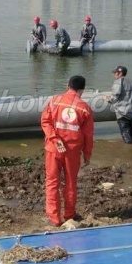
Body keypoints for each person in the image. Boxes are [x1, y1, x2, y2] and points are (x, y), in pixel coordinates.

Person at [40, 75, 94, 227]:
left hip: (53, 148)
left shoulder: (54, 100)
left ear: (67, 85)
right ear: (82, 89)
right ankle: (69, 214)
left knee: (52, 183)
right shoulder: (84, 108)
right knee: (70, 183)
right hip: (72, 151)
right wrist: (87, 154)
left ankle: (54, 218)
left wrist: (55, 139)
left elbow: (45, 121)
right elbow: (88, 135)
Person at [108, 66, 132, 144]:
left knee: (126, 135)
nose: (114, 74)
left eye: (115, 73)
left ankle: (130, 150)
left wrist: (107, 99)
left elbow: (115, 96)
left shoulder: (118, 82)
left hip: (123, 112)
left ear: (120, 73)